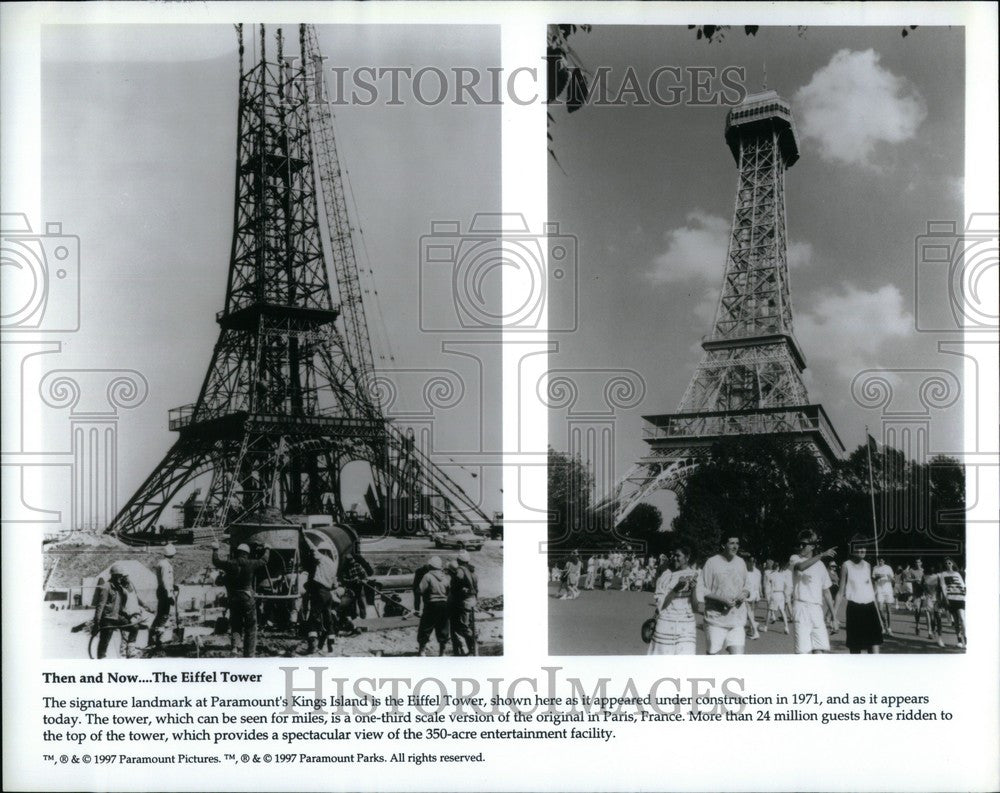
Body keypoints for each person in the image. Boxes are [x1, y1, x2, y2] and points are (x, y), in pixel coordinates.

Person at [212, 540, 270, 658]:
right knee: (250, 626)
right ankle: (249, 654)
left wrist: (215, 550)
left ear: (237, 552)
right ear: (247, 554)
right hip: (247, 597)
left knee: (236, 623)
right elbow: (264, 560)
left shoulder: (230, 563)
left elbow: (216, 561)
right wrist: (267, 549)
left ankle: (235, 648)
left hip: (234, 598)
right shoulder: (251, 563)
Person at [696, 536, 750, 655]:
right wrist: (721, 600)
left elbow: (748, 585)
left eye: (737, 543)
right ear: (723, 545)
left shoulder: (741, 562)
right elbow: (702, 589)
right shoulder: (712, 562)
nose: (735, 546)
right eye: (731, 543)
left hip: (737, 620)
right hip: (716, 620)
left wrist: (745, 593)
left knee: (738, 661)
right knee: (714, 661)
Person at [92, 563, 155, 658]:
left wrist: (128, 614)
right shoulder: (106, 587)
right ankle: (101, 661)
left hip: (117, 617)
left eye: (122, 577)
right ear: (114, 576)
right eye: (119, 576)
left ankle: (130, 650)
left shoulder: (120, 588)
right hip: (108, 619)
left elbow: (125, 602)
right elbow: (100, 606)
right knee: (104, 643)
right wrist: (97, 623)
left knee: (134, 627)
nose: (121, 578)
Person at [789, 530, 838, 654]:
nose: (800, 547)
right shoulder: (795, 558)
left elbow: (826, 592)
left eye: (804, 544)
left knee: (819, 651)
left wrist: (834, 616)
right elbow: (801, 567)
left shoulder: (821, 566)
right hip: (801, 607)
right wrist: (822, 554)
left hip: (816, 609)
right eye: (799, 544)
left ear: (812, 546)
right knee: (803, 653)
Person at [647, 546, 698, 655]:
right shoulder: (666, 576)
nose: (674, 558)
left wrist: (694, 589)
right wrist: (675, 589)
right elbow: (661, 606)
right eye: (673, 555)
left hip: (686, 627)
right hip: (666, 625)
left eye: (678, 555)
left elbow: (695, 607)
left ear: (687, 557)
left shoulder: (695, 575)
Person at [833, 544, 882, 654]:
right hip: (854, 610)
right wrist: (833, 615)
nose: (862, 550)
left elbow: (870, 592)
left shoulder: (868, 566)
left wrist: (879, 617)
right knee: (855, 649)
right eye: (858, 548)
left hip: (870, 609)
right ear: (852, 550)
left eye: (864, 547)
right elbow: (840, 592)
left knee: (874, 645)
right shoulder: (846, 565)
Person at [301, 544, 339, 654]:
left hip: (319, 591)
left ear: (323, 551)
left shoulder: (322, 559)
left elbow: (313, 550)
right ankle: (331, 643)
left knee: (313, 617)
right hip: (328, 594)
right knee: (328, 618)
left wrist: (303, 534)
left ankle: (312, 644)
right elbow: (335, 585)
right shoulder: (333, 564)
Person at [417, 556, 451, 656]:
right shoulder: (445, 577)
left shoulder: (427, 576)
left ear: (430, 566)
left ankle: (422, 651)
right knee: (443, 628)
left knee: (426, 627)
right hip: (444, 605)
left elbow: (420, 590)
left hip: (431, 605)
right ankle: (442, 652)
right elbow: (449, 591)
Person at [449, 550, 479, 655]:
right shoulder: (472, 571)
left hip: (463, 602)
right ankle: (473, 647)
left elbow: (455, 586)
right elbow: (476, 589)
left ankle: (470, 643)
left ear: (459, 560)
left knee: (462, 626)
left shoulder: (460, 571)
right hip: (472, 601)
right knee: (470, 624)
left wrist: (456, 590)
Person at [150, 544, 179, 646]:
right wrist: (169, 596)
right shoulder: (165, 565)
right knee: (164, 615)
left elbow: (166, 580)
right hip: (164, 592)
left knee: (161, 615)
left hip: (163, 590)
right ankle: (158, 638)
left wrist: (173, 586)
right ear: (172, 554)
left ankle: (153, 636)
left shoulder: (163, 563)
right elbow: (165, 580)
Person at [937, 557, 966, 648]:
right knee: (956, 621)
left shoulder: (957, 573)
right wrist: (946, 598)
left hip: (960, 598)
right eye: (946, 563)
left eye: (949, 563)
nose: (948, 564)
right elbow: (943, 586)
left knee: (962, 618)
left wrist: (965, 594)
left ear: (952, 564)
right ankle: (959, 640)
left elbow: (963, 585)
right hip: (951, 599)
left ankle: (966, 639)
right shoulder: (943, 574)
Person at [339, 550, 374, 620]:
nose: (352, 562)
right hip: (351, 587)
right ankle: (354, 616)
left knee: (360, 600)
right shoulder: (346, 568)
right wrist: (352, 581)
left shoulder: (357, 565)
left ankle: (363, 616)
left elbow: (364, 575)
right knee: (352, 601)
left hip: (359, 586)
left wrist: (361, 580)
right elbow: (344, 580)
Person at [920, 561, 944, 647]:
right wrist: (924, 593)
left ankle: (938, 636)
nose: (931, 568)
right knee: (928, 615)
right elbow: (921, 586)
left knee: (937, 618)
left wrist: (941, 599)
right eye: (930, 567)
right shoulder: (924, 576)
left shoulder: (938, 576)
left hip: (936, 599)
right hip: (928, 598)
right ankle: (930, 632)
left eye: (933, 567)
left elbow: (941, 588)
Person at [872, 556, 896, 636]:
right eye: (879, 561)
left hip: (888, 590)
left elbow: (893, 580)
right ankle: (884, 624)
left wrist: (891, 578)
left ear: (884, 561)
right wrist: (878, 577)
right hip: (880, 590)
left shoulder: (888, 568)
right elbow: (873, 579)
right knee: (880, 609)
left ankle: (889, 628)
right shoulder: (875, 568)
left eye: (882, 561)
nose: (880, 562)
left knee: (889, 610)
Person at [744, 555, 762, 640]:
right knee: (750, 613)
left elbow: (757, 585)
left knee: (749, 613)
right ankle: (752, 628)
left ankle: (755, 631)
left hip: (751, 595)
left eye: (753, 562)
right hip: (750, 594)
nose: (752, 563)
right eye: (750, 561)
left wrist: (758, 594)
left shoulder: (755, 572)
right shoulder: (746, 571)